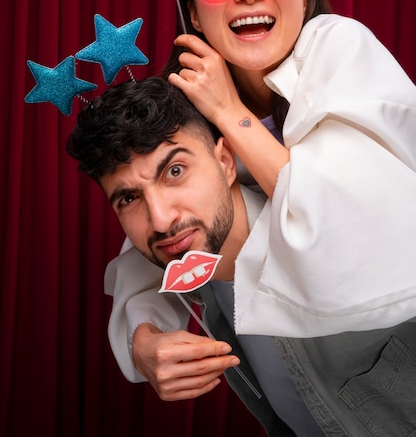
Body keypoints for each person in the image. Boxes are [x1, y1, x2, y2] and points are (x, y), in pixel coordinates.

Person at [100, 0, 416, 429]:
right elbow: (154, 244)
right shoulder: (182, 109)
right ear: (195, 15)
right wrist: (145, 342)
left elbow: (338, 224)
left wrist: (228, 110)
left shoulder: (339, 48)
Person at [67, 77, 416, 435]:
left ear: (226, 161)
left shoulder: (348, 228)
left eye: (175, 171)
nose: (161, 219)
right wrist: (142, 340)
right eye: (129, 198)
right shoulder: (190, 259)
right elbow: (133, 270)